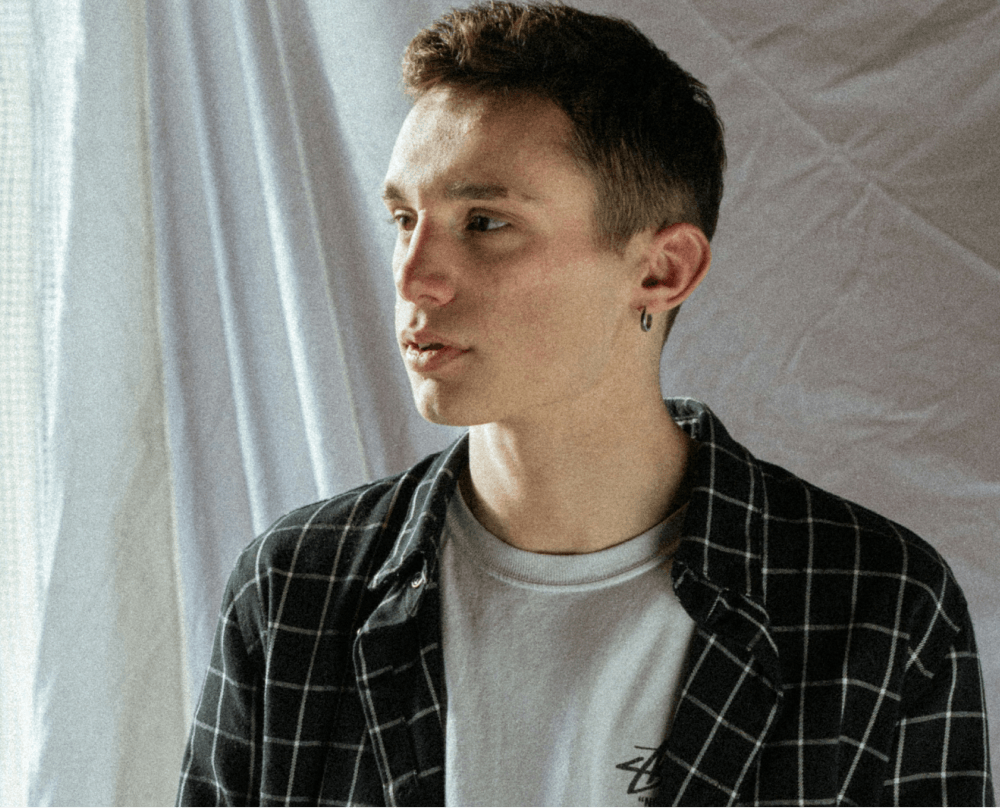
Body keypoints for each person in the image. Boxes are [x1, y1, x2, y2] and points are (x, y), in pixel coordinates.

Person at [176, 3, 993, 806]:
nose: (412, 275)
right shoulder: (294, 594)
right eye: (403, 218)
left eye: (485, 221)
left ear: (661, 271)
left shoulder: (875, 606)